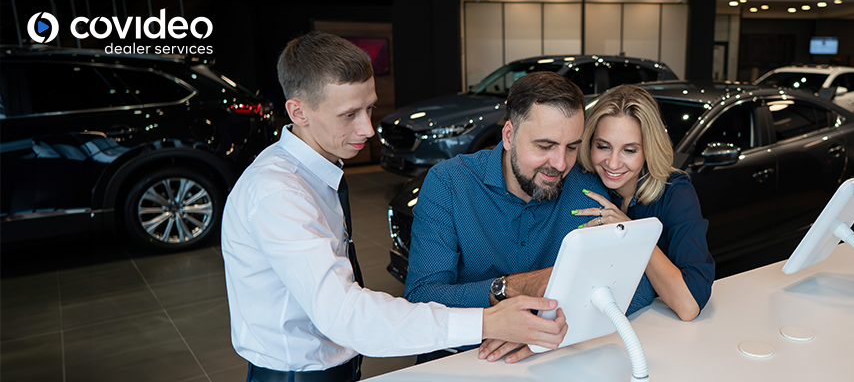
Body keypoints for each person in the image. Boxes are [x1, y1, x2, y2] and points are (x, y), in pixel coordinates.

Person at [221, 31, 568, 382]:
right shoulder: (278, 193)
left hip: (334, 364)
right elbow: (345, 315)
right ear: (298, 112)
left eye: (369, 108)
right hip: (295, 373)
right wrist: (487, 321)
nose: (368, 129)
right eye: (349, 114)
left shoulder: (316, 170)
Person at [405, 72, 651, 365]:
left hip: (555, 362)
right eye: (545, 146)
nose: (560, 164)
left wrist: (552, 330)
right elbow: (422, 297)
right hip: (465, 361)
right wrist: (507, 294)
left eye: (572, 147)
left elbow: (637, 287)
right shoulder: (449, 184)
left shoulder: (587, 190)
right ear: (509, 136)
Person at [572, 84, 715, 321]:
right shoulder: (582, 183)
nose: (613, 163)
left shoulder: (675, 193)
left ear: (648, 150)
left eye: (629, 150)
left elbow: (688, 305)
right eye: (603, 146)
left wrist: (632, 232)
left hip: (654, 328)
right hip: (593, 322)